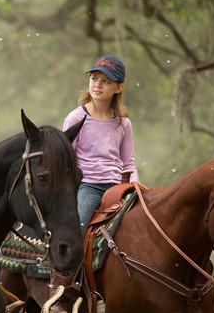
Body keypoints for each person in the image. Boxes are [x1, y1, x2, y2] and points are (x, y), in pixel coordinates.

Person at [49, 55, 139, 313]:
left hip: (116, 186)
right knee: (76, 228)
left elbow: (128, 161)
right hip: (87, 184)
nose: (97, 85)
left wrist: (136, 185)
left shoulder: (123, 123)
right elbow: (65, 157)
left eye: (105, 81)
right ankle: (60, 288)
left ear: (118, 87)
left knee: (137, 229)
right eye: (94, 79)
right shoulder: (76, 117)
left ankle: (117, 285)